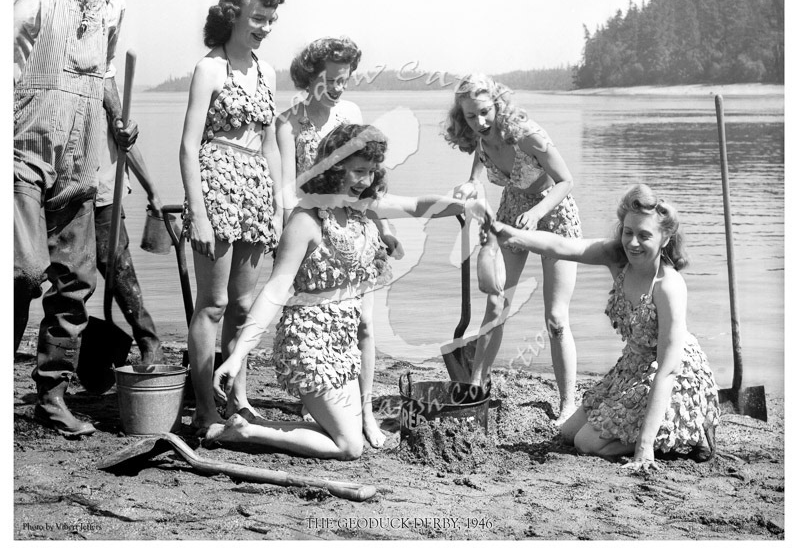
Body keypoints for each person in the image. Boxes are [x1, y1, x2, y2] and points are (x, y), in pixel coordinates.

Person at [206, 123, 467, 459]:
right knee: (349, 446)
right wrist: (238, 354)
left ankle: (246, 425)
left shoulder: (362, 207)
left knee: (344, 431)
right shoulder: (306, 221)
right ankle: (250, 431)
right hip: (308, 348)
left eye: (372, 171)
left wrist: (464, 206)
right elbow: (273, 291)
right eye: (358, 171)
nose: (366, 181)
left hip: (344, 349)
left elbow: (418, 205)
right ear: (333, 168)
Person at [484, 184, 720, 470]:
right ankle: (659, 431)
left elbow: (668, 369)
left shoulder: (669, 287)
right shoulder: (617, 257)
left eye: (644, 235)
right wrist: (509, 233)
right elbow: (562, 246)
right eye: (628, 231)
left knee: (587, 443)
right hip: (633, 368)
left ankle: (680, 431)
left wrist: (644, 449)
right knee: (568, 434)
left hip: (673, 376)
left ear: (665, 237)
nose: (633, 243)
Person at [13, 0, 137, 437]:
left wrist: (118, 118)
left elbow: (105, 73)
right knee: (21, 273)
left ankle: (52, 397)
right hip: (25, 137)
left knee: (75, 283)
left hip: (81, 149)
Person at [276, 36, 401, 448]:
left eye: (345, 80)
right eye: (330, 80)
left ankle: (365, 412)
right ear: (309, 78)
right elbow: (289, 188)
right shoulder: (289, 121)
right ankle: (321, 395)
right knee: (323, 317)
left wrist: (380, 226)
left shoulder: (350, 113)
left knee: (365, 324)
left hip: (357, 229)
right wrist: (301, 236)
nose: (338, 88)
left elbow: (369, 181)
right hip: (316, 232)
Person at [179, 0, 285, 433]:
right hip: (217, 186)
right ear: (232, 15)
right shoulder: (209, 68)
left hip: (257, 188)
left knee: (244, 306)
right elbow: (187, 146)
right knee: (214, 304)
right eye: (258, 18)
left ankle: (238, 398)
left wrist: (279, 209)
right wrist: (197, 213)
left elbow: (271, 146)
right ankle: (204, 407)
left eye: (271, 19)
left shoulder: (267, 71)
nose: (264, 27)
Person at [443, 73, 581, 424]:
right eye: (471, 116)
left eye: (486, 112)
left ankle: (567, 404)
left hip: (553, 217)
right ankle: (475, 388)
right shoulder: (480, 140)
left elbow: (565, 181)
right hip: (510, 214)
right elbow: (476, 179)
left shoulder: (527, 134)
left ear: (498, 105)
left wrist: (536, 213)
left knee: (555, 318)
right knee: (496, 303)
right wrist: (467, 191)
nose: (480, 122)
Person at [95, 121, 165, 365]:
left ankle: (150, 343)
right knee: (69, 280)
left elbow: (127, 140)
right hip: (56, 192)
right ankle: (57, 356)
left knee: (120, 273)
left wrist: (152, 191)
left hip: (101, 195)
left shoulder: (105, 88)